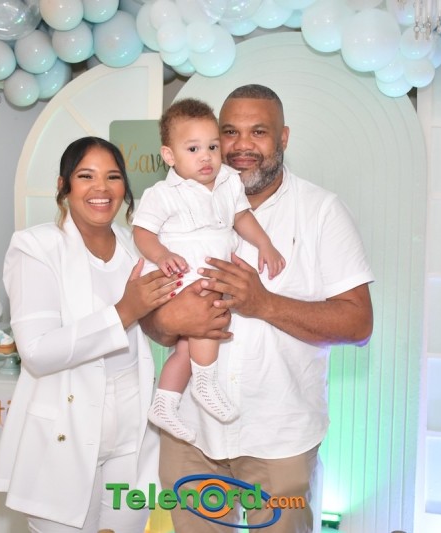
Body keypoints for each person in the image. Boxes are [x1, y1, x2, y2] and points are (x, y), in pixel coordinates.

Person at [141, 85, 375, 532]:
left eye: (259, 132)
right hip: (190, 435)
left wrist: (263, 303)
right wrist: (168, 319)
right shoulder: (173, 204)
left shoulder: (322, 211)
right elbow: (150, 314)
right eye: (229, 132)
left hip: (278, 440)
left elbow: (359, 322)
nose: (241, 145)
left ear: (283, 137)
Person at [0, 137, 210, 533]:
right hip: (64, 431)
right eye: (86, 176)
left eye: (113, 177)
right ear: (63, 186)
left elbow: (159, 331)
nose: (101, 188)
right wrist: (124, 311)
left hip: (133, 429)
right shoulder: (36, 247)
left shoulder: (136, 249)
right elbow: (37, 351)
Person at [132, 98, 285, 443]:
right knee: (207, 320)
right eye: (193, 149)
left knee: (186, 347)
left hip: (208, 271)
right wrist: (162, 254)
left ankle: (164, 402)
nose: (206, 157)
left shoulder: (229, 181)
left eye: (213, 147)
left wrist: (265, 244)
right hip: (183, 273)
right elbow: (142, 232)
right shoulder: (163, 193)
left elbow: (242, 217)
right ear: (169, 155)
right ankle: (205, 382)